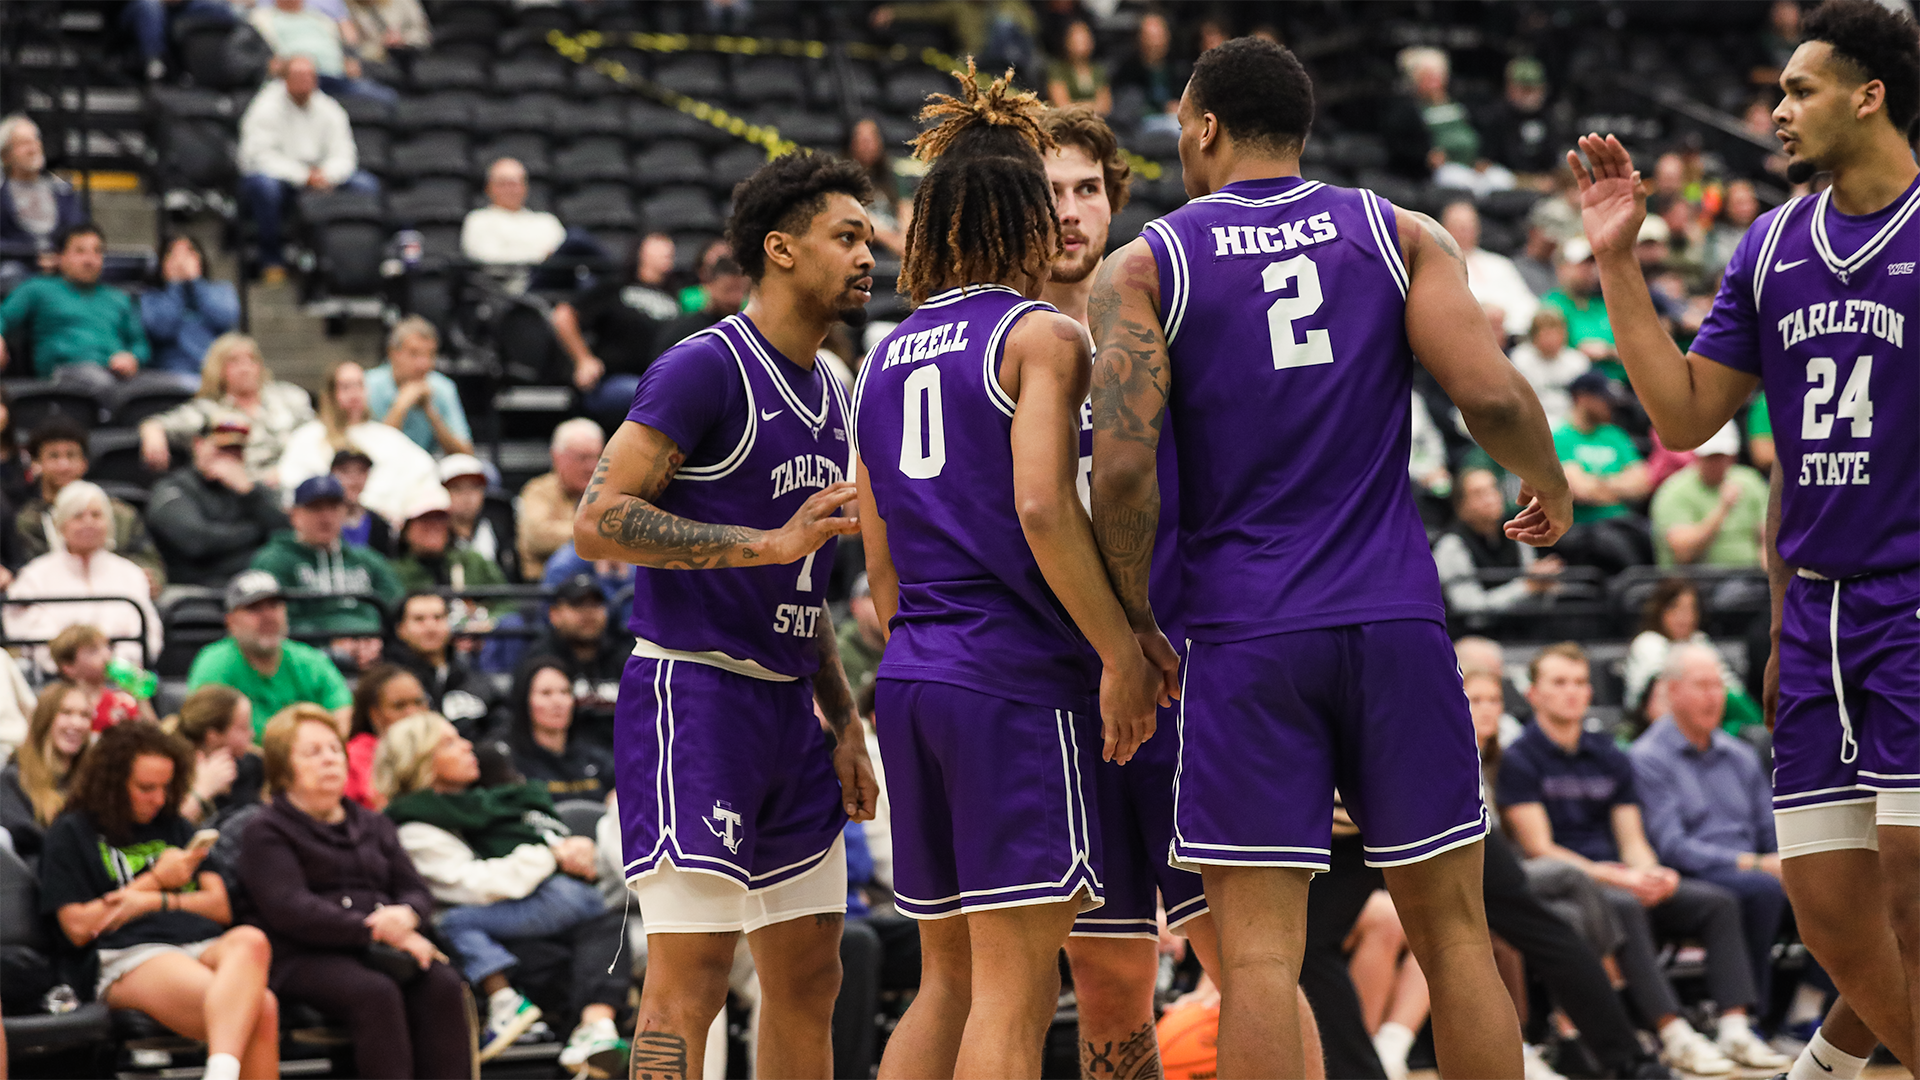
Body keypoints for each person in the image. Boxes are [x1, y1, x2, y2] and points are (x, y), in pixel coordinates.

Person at [1087, 36, 1572, 1080]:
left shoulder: (1147, 261)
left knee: (1261, 959)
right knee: (1454, 934)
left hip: (1247, 630)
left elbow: (1122, 476)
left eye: (1181, 120)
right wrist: (1551, 481)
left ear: (1206, 125)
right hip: (1394, 616)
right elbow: (1489, 397)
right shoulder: (1398, 232)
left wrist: (1132, 620)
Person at [855, 73, 1170, 1080]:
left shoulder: (884, 355)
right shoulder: (1044, 335)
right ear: (1023, 221)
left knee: (945, 983)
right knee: (1015, 990)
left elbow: (881, 571)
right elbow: (1044, 505)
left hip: (913, 677)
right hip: (1012, 682)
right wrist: (1119, 650)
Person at [571, 148, 880, 1080]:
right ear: (780, 250)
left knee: (812, 973)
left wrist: (842, 715)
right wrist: (764, 542)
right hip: (692, 696)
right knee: (689, 981)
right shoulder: (705, 368)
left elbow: (804, 586)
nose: (870, 255)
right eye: (849, 236)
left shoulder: (835, 388)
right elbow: (596, 521)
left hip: (792, 705)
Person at [1037, 102, 1307, 1079]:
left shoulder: (1166, 311)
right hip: (1053, 697)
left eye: (1085, 189)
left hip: (1182, 679)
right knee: (1107, 981)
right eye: (1047, 190)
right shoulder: (994, 338)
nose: (1069, 211)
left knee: (1250, 964)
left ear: (1114, 200)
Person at [1497, 643, 1788, 1073]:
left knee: (1715, 902)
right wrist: (1620, 879)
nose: (1572, 692)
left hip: (1619, 877)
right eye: (1559, 683)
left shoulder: (1608, 753)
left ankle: (1735, 1028)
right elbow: (1540, 848)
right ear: (1534, 694)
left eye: (1579, 682)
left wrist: (1650, 871)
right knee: (1625, 905)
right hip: (1568, 883)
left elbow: (1631, 837)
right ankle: (1672, 1032)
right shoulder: (1521, 757)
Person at [374, 713, 627, 1072]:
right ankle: (580, 1024)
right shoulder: (415, 827)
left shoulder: (473, 805)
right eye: (449, 743)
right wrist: (553, 856)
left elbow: (533, 835)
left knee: (606, 930)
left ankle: (550, 1014)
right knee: (452, 921)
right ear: (420, 762)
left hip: (541, 908)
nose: (466, 745)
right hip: (522, 927)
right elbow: (476, 884)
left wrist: (568, 848)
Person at [239, 704, 470, 1080]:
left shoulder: (373, 822)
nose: (329, 760)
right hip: (302, 954)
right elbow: (290, 908)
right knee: (374, 992)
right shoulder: (265, 830)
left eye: (334, 749)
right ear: (283, 767)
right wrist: (375, 929)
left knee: (441, 982)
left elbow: (414, 889)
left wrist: (407, 916)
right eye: (313, 753)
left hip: (382, 945)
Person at [38, 721, 280, 1080]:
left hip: (200, 940)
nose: (160, 799)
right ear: (112, 785)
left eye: (167, 787)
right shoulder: (71, 832)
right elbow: (77, 927)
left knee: (251, 939)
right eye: (146, 788)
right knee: (261, 1006)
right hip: (129, 953)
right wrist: (156, 881)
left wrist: (154, 902)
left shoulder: (175, 826)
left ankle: (219, 1072)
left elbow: (220, 905)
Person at [1629, 644, 1790, 1014]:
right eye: (1701, 685)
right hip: (1692, 873)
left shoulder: (1741, 755)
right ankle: (1754, 1018)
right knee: (1763, 889)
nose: (1714, 696)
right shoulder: (1648, 758)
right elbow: (1671, 845)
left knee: (1836, 887)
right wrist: (1755, 863)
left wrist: (1787, 860)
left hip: (1756, 868)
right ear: (1672, 692)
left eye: (1718, 686)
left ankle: (1807, 1010)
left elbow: (1770, 828)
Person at [237, 57, 379, 286]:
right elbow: (259, 157)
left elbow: (345, 154)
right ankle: (271, 259)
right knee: (265, 187)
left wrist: (327, 175)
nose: (304, 81)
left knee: (366, 186)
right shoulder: (264, 107)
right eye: (298, 75)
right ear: (285, 79)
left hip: (321, 176)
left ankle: (352, 262)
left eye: (309, 76)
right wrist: (304, 176)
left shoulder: (329, 109)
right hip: (280, 179)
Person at [5, 481, 163, 671]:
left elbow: (149, 632)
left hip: (121, 679)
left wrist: (114, 666)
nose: (88, 523)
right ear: (61, 525)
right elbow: (25, 631)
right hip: (57, 679)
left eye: (96, 515)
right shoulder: (34, 576)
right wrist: (74, 665)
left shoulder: (130, 574)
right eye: (78, 516)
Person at [186, 571, 353, 736]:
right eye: (254, 608)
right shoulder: (214, 665)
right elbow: (206, 731)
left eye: (274, 605)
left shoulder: (309, 661)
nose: (268, 616)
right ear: (230, 621)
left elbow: (343, 711)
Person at [138, 333, 316, 488]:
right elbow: (161, 424)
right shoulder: (209, 409)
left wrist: (287, 472)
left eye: (251, 360)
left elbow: (318, 438)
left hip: (295, 484)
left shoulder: (290, 397)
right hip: (240, 492)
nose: (245, 367)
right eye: (235, 361)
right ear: (219, 370)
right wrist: (152, 430)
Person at [277, 360, 437, 527]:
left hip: (386, 526)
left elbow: (423, 470)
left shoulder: (386, 436)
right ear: (331, 394)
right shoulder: (308, 436)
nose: (354, 393)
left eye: (359, 386)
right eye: (346, 387)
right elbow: (293, 484)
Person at [16, 417, 166, 591]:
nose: (64, 465)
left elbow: (150, 561)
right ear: (36, 464)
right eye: (54, 456)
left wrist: (149, 576)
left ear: (84, 463)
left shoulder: (120, 514)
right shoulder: (28, 520)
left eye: (71, 455)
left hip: (118, 597)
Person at [251, 475, 403, 644]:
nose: (326, 517)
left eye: (334, 508)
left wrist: (374, 639)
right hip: (307, 652)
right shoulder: (274, 561)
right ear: (294, 515)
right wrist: (329, 642)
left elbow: (397, 607)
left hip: (374, 647)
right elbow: (271, 621)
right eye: (315, 508)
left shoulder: (367, 559)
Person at [147, 415, 292, 588]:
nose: (229, 458)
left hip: (256, 587)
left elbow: (287, 535)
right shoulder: (173, 488)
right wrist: (257, 531)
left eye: (236, 450)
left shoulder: (251, 490)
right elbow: (196, 543)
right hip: (199, 589)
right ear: (198, 445)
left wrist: (249, 493)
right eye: (221, 449)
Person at [551, 234, 677, 424]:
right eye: (659, 247)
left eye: (671, 250)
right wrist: (583, 360)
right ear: (641, 252)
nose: (667, 253)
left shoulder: (677, 295)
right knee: (649, 396)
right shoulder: (616, 288)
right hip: (615, 381)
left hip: (662, 381)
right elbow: (563, 315)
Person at [0, 223, 148, 378]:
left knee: (167, 388)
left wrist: (132, 358)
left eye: (97, 251)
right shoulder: (37, 289)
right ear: (60, 256)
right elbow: (3, 315)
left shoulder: (119, 298)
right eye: (80, 251)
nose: (90, 260)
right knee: (98, 380)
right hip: (65, 373)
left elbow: (140, 344)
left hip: (116, 373)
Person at [1621, 578, 1759, 730]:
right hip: (1652, 726)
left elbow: (1732, 689)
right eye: (1675, 608)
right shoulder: (1648, 643)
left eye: (1691, 609)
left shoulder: (1700, 642)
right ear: (1660, 610)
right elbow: (1654, 701)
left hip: (1708, 720)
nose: (1684, 616)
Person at [1552, 371, 1653, 573]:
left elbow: (1643, 483)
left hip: (1624, 524)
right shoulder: (1560, 437)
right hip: (1582, 529)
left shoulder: (1615, 435)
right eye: (1604, 399)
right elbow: (1579, 490)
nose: (1611, 405)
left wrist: (1597, 484)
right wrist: (1619, 485)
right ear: (1582, 398)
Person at [1432, 467, 1563, 616]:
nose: (1490, 498)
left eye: (1494, 489)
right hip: (1471, 633)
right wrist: (1527, 586)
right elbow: (1467, 608)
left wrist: (1544, 586)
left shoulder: (1517, 534)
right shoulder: (1452, 545)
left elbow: (1531, 595)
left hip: (1520, 627)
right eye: (1479, 494)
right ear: (1460, 506)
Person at [518, 573, 626, 749]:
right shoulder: (539, 662)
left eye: (595, 604)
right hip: (565, 762)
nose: (588, 613)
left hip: (622, 756)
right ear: (554, 614)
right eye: (577, 605)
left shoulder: (625, 657)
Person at [1649, 421, 1768, 566]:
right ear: (1697, 456)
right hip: (1700, 579)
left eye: (1722, 456)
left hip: (1752, 575)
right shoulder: (1674, 491)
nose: (1717, 463)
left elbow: (1769, 534)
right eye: (1710, 457)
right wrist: (1723, 508)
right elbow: (1684, 552)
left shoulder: (1751, 481)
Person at [0, 682, 92, 864]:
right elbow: (25, 839)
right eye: (66, 713)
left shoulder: (94, 775)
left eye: (85, 715)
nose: (77, 723)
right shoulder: (14, 777)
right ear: (45, 719)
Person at [388, 591, 501, 738]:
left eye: (438, 617)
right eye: (419, 619)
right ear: (400, 629)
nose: (430, 626)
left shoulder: (471, 676)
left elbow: (500, 721)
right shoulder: (389, 683)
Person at [507, 658, 615, 804]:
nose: (557, 702)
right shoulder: (513, 762)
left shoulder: (595, 758)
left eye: (565, 692)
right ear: (525, 700)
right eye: (546, 693)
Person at [248, 0, 396, 103]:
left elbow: (345, 44)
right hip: (297, 80)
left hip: (339, 78)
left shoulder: (319, 18)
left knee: (388, 97)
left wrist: (348, 60)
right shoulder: (263, 17)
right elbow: (265, 54)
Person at [363, 316, 472, 456]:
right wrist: (400, 407)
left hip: (428, 468)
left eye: (430, 355)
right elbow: (371, 454)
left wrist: (431, 413)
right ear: (392, 353)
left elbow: (467, 455)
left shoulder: (443, 388)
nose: (424, 364)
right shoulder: (367, 386)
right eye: (414, 354)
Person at [140, 235, 241, 378]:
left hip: (216, 375)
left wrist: (196, 282)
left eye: (189, 253)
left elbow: (225, 318)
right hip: (170, 377)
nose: (181, 262)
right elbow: (162, 329)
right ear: (162, 265)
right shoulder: (150, 298)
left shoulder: (222, 290)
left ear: (200, 259)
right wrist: (175, 285)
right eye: (173, 255)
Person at [0, 115, 85, 284]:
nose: (33, 148)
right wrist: (34, 256)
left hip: (63, 266)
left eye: (35, 141)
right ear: (5, 155)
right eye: (24, 144)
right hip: (17, 267)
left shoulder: (64, 191)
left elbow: (80, 232)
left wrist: (61, 257)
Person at [515, 418, 603, 580]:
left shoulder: (607, 492)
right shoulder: (538, 491)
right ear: (557, 457)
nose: (591, 466)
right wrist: (595, 533)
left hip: (601, 587)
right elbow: (537, 536)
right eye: (582, 458)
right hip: (549, 588)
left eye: (597, 457)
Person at [1441, 199, 1539, 340]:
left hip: (1510, 339)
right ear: (1444, 229)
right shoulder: (1439, 267)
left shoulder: (1500, 264)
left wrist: (1504, 325)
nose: (1465, 232)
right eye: (1459, 227)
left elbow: (1528, 306)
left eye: (1470, 227)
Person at [166, 685, 262, 825]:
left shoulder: (252, 764)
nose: (251, 733)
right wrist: (202, 791)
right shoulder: (170, 768)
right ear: (213, 736)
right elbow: (170, 831)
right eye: (243, 727)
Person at [461, 158, 566, 284]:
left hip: (558, 286)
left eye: (516, 183)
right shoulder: (478, 220)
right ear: (489, 188)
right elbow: (492, 263)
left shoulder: (547, 222)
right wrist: (543, 257)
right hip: (512, 292)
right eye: (504, 183)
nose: (511, 189)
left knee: (578, 241)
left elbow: (566, 261)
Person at [391, 482, 505, 594]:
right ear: (406, 528)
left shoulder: (475, 563)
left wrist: (481, 611)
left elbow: (507, 603)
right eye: (424, 519)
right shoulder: (392, 573)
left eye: (440, 518)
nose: (434, 526)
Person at [342, 663, 427, 809]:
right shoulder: (353, 759)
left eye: (418, 702)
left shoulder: (441, 746)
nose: (413, 713)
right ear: (375, 715)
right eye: (399, 706)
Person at [49, 624, 151, 731]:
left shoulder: (122, 702)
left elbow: (153, 737)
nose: (106, 656)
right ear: (69, 667)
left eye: (107, 647)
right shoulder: (57, 705)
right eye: (93, 651)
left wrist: (140, 697)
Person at [1479, 57, 1565, 176]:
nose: (1530, 95)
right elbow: (1484, 164)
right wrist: (1526, 182)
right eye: (1525, 89)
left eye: (1535, 89)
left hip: (1544, 182)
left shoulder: (1548, 117)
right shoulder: (1494, 117)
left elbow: (1554, 160)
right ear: (1510, 88)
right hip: (1507, 183)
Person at [1508, 307, 1590, 431]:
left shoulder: (1578, 362)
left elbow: (1584, 401)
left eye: (1556, 333)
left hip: (1570, 423)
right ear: (1534, 336)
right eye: (1546, 333)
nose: (1551, 339)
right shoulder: (1519, 359)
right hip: (1531, 422)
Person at [440, 454, 517, 582]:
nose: (467, 497)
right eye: (457, 489)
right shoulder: (433, 535)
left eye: (474, 488)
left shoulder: (501, 528)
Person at [1111, 12, 1189, 131]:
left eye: (1159, 35)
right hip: (1140, 126)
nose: (1155, 42)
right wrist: (1162, 108)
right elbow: (1127, 107)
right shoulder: (1127, 70)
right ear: (1140, 38)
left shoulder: (1179, 68)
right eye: (1150, 36)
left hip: (1176, 121)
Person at [1047, 20, 1111, 114]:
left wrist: (1076, 105)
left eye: (1084, 38)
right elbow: (1061, 105)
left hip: (1097, 121)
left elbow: (1105, 105)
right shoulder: (1057, 69)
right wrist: (1090, 106)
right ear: (1067, 41)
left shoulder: (1097, 70)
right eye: (1076, 38)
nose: (1080, 42)